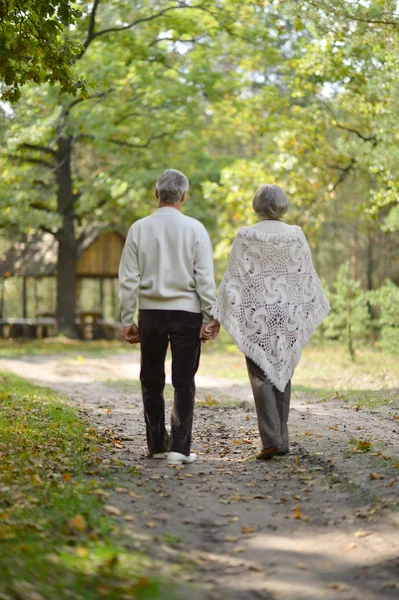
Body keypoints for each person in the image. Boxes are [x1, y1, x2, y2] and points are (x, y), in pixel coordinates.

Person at [205, 184, 330, 460]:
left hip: (256, 314)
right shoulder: (296, 235)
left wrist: (216, 318)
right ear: (283, 206)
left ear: (257, 206)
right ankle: (281, 439)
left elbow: (232, 282)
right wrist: (301, 311)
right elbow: (305, 278)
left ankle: (271, 439)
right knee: (284, 373)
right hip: (287, 313)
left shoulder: (246, 236)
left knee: (262, 375)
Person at [118, 169, 220, 465]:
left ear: (156, 194)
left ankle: (156, 445)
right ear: (183, 197)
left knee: (151, 379)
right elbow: (205, 279)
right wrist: (210, 316)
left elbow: (128, 279)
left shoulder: (139, 228)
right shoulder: (195, 229)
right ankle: (179, 448)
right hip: (187, 314)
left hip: (150, 314)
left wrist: (127, 318)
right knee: (184, 380)